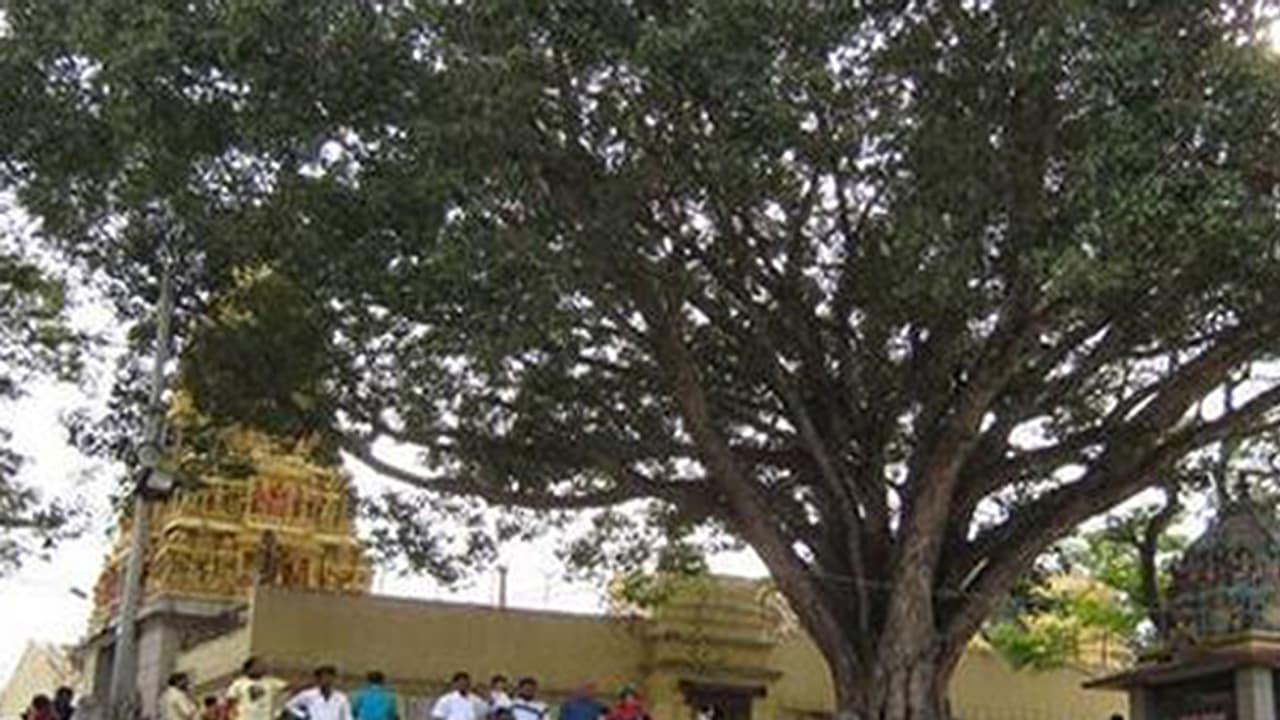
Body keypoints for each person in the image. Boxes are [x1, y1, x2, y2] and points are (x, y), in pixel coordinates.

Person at [284, 666, 352, 720]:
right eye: (324, 678)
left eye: (330, 678)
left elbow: (347, 716)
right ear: (318, 680)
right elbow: (289, 705)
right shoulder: (308, 695)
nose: (327, 681)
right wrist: (303, 715)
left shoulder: (341, 698)